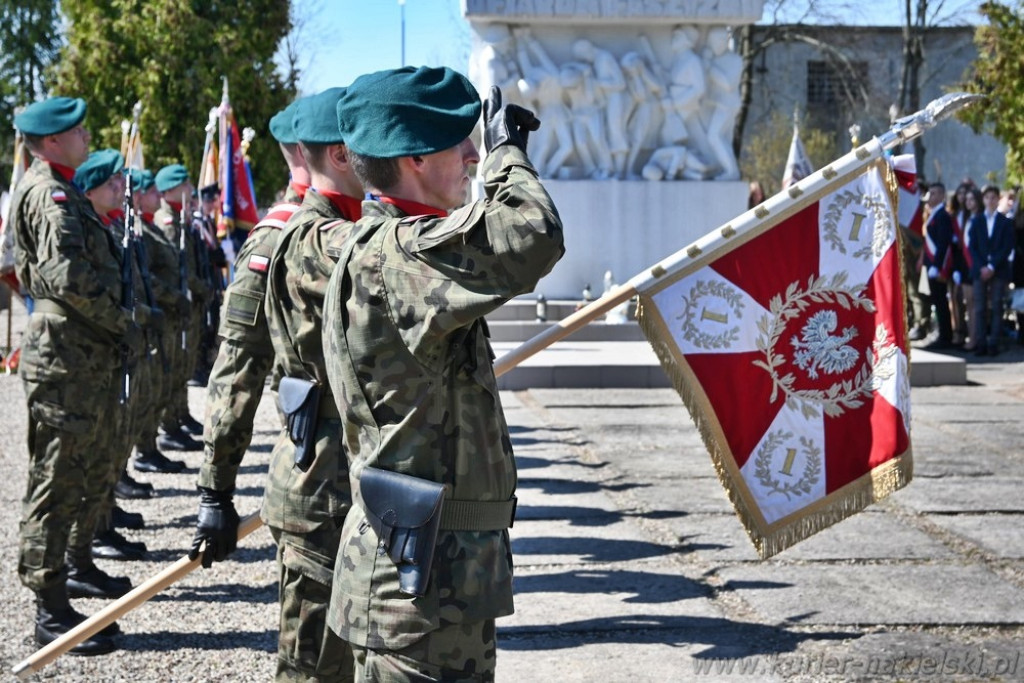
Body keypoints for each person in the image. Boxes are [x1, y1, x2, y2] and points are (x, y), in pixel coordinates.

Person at [322, 66, 564, 681]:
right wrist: (508, 160)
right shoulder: (401, 254)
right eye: (459, 142)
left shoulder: (389, 246)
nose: (473, 153)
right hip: (419, 588)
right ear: (413, 160)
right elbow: (530, 234)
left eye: (476, 141)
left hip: (428, 576)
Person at [10, 96, 140, 654]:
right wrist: (123, 322)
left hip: (79, 353)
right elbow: (70, 277)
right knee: (55, 479)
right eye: (79, 131)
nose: (87, 136)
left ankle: (70, 572)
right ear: (54, 141)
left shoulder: (60, 189)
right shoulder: (51, 194)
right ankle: (48, 606)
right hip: (65, 353)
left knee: (79, 469)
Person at [260, 86, 363, 682]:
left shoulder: (346, 228)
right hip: (319, 486)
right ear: (345, 155)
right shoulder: (316, 239)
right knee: (314, 668)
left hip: (339, 482)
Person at [190, 98, 311, 569]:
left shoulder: (361, 227)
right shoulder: (275, 238)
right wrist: (215, 491)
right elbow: (238, 370)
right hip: (314, 471)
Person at [152, 163, 206, 454]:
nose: (189, 190)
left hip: (184, 303)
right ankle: (170, 424)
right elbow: (175, 268)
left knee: (183, 364)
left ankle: (179, 416)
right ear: (171, 189)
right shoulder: (167, 220)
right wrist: (198, 288)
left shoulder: (177, 217)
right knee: (172, 367)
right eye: (184, 185)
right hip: (172, 305)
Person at [967, 184, 1015, 356]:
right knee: (979, 308)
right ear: (984, 199)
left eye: (993, 197)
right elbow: (972, 246)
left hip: (998, 270)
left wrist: (992, 266)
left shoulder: (1005, 222)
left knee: (996, 306)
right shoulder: (976, 220)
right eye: (987, 197)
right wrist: (982, 266)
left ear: (997, 199)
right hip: (980, 270)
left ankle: (993, 342)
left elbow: (1007, 247)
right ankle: (981, 343)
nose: (990, 200)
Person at [922, 182, 954, 349]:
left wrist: (936, 264)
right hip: (931, 264)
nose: (930, 197)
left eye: (934, 193)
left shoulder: (942, 215)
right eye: (929, 193)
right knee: (936, 300)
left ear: (942, 195)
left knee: (941, 301)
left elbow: (943, 242)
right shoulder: (933, 214)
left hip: (938, 266)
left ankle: (945, 336)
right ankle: (942, 333)